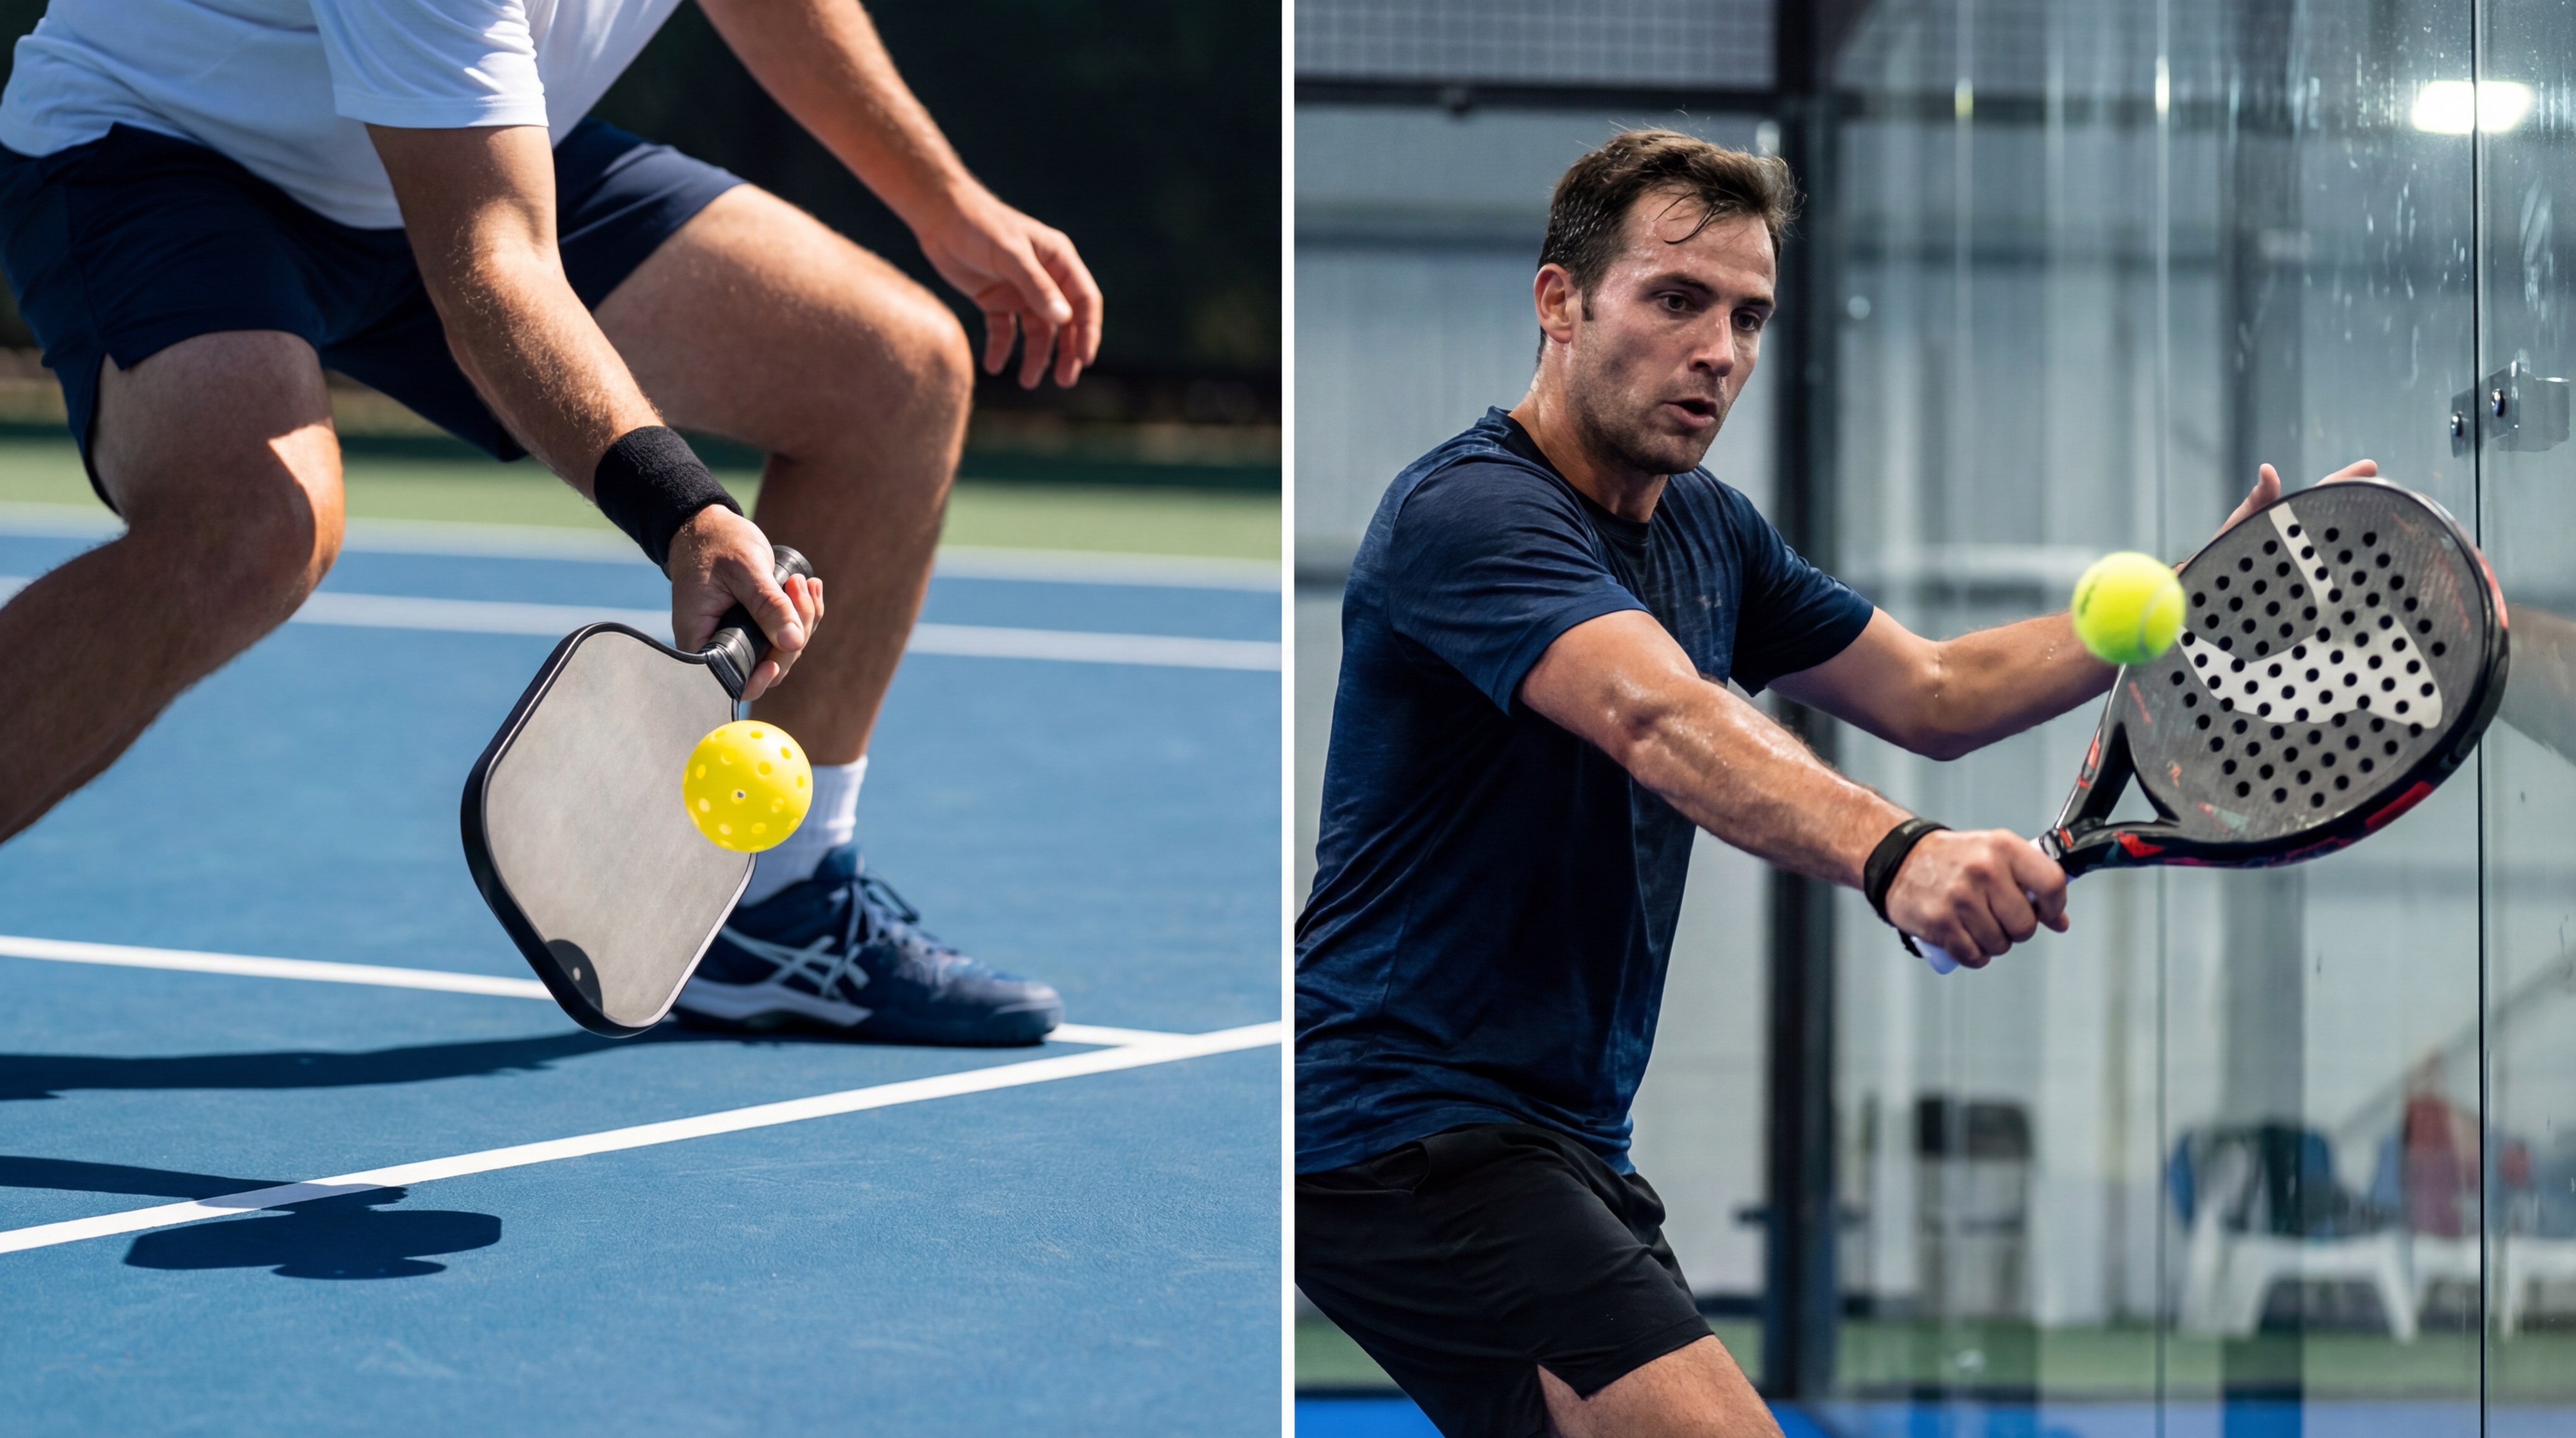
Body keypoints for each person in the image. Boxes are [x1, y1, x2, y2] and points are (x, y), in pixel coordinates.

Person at [1293, 129, 2368, 1437]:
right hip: (1404, 1128)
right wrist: (1899, 853)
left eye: (1747, 316)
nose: (1719, 354)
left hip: (1560, 1136)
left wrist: (2190, 610)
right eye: (1675, 300)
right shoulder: (1468, 518)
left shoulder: (1706, 530)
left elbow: (1931, 691)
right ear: (1558, 303)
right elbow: (1656, 713)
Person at [0, 0, 1103, 1045]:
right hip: (165, 152)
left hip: (477, 150)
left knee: (895, 374)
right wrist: (686, 512)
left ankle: (778, 906)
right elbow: (491, 268)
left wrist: (943, 197)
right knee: (252, 527)